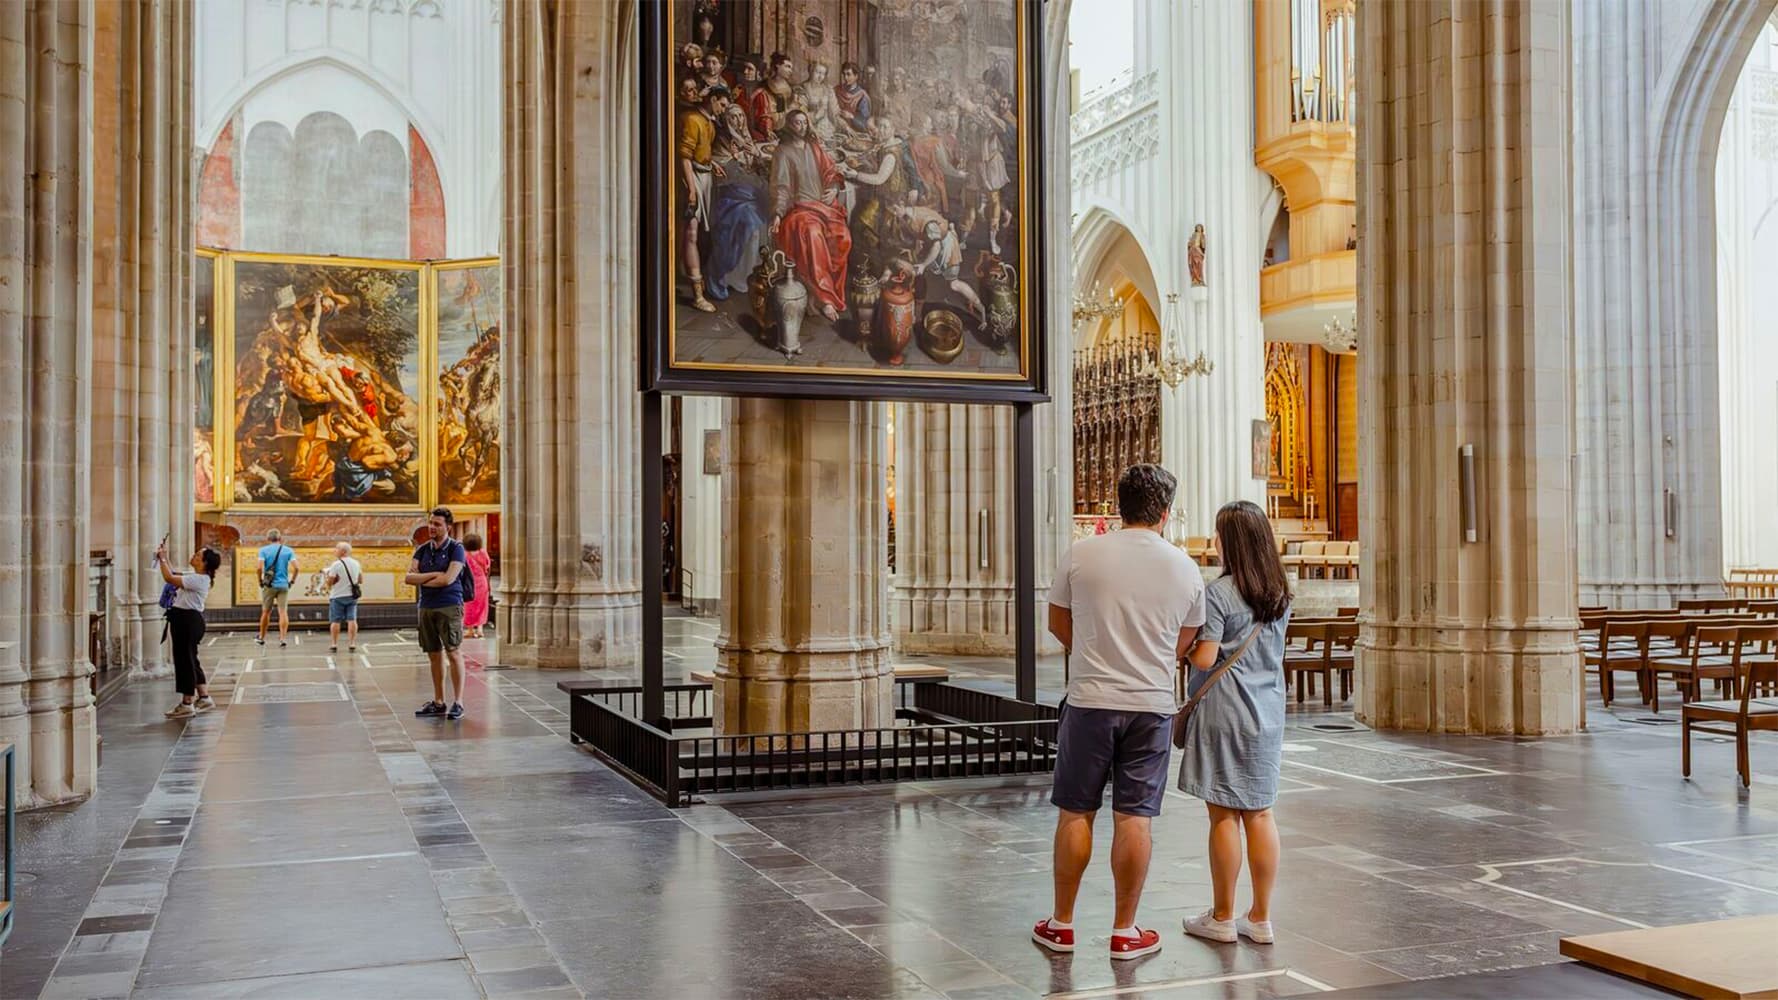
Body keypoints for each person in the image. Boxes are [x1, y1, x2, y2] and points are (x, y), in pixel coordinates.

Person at [1033, 464, 1207, 960]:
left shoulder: (1082, 554)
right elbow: (1184, 643)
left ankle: (1061, 924)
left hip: (1090, 700)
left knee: (1075, 812)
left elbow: (1057, 621)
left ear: (1117, 504)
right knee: (1136, 819)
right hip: (1151, 706)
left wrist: (1093, 650)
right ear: (1167, 512)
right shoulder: (1184, 567)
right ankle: (1125, 931)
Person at [1177, 500, 1293, 946]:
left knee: (1224, 814)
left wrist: (1181, 647)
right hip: (1266, 712)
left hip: (1225, 711)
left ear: (1231, 543)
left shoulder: (1221, 592)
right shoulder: (1280, 592)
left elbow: (1205, 657)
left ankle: (1222, 916)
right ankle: (1260, 917)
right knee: (1261, 813)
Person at [769, 109, 852, 321]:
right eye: (797, 123)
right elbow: (781, 187)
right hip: (798, 210)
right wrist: (778, 214)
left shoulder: (814, 148)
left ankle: (830, 292)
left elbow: (830, 171)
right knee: (813, 235)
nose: (802, 126)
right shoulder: (783, 152)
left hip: (823, 207)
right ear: (789, 125)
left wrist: (833, 187)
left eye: (804, 122)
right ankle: (824, 298)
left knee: (843, 237)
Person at [406, 506, 468, 720]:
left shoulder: (456, 549)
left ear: (447, 527)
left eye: (437, 524)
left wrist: (423, 577)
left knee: (453, 652)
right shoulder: (423, 549)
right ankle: (439, 701)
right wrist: (433, 574)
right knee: (433, 654)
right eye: (430, 523)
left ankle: (458, 702)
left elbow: (448, 579)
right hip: (427, 605)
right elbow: (409, 578)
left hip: (449, 604)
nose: (431, 527)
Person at [155, 541, 221, 719]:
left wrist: (161, 560)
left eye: (198, 555)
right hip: (188, 621)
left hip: (187, 622)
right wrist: (165, 557)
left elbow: (169, 578)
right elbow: (174, 573)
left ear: (205, 563)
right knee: (191, 659)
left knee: (185, 662)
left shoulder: (198, 579)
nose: (194, 556)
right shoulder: (198, 577)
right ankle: (204, 697)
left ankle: (187, 703)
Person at [256, 528, 296, 647]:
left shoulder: (263, 550)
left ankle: (262, 637)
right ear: (280, 538)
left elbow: (259, 568)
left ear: (268, 539)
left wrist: (260, 580)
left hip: (269, 585)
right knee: (283, 612)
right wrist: (292, 581)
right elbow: (297, 567)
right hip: (283, 585)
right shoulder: (288, 550)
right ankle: (283, 638)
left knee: (266, 612)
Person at [323, 541, 364, 654]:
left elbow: (330, 582)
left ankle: (334, 644)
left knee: (335, 620)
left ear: (343, 551)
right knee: (352, 619)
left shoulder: (336, 564)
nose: (335, 551)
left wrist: (327, 576)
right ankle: (352, 643)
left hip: (337, 596)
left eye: (337, 549)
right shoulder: (356, 563)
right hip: (352, 596)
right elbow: (360, 580)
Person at [462, 533, 493, 639]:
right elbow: (487, 565)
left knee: (468, 606)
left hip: (469, 583)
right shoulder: (483, 553)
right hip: (482, 581)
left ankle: (470, 630)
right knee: (482, 606)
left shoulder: (464, 554)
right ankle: (480, 629)